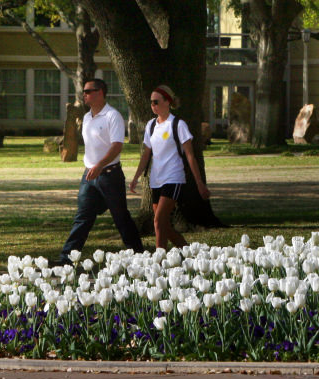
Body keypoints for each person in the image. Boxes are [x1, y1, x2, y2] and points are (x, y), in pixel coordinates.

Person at [56, 78, 144, 264]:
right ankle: (66, 260)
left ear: (100, 93)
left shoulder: (113, 116)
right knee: (82, 217)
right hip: (89, 175)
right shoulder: (87, 117)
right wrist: (92, 166)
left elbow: (117, 146)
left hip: (109, 175)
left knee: (121, 217)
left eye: (88, 91)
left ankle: (139, 256)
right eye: (84, 92)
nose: (84, 95)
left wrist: (100, 165)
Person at [130, 85, 210, 249]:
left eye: (156, 102)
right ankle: (187, 251)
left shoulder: (178, 125)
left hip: (173, 178)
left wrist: (200, 184)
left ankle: (159, 261)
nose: (153, 105)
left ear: (167, 102)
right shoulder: (151, 125)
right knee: (162, 224)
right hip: (155, 180)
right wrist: (136, 177)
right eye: (151, 102)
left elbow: (190, 156)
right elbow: (146, 154)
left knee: (159, 220)